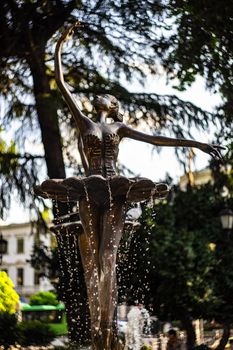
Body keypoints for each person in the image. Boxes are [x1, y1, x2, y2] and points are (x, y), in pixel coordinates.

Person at [37, 23, 224, 348]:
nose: (98, 96)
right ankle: (98, 329)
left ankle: (107, 329)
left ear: (111, 105)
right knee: (92, 260)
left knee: (107, 256)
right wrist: (58, 48)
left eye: (105, 96)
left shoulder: (119, 127)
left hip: (117, 189)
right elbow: (62, 86)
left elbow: (155, 139)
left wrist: (195, 143)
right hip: (88, 189)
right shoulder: (84, 122)